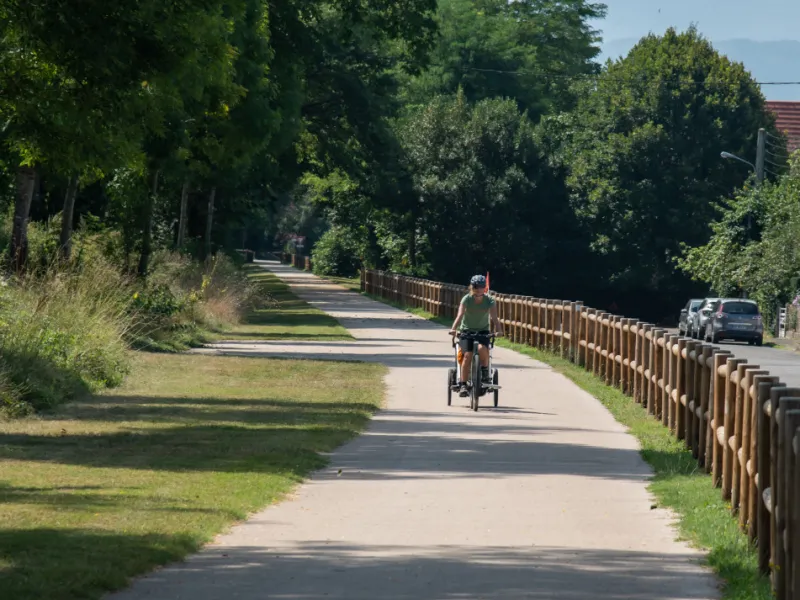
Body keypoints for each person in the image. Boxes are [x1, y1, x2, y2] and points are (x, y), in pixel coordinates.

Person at [449, 274, 504, 397]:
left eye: (481, 287)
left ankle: (485, 373)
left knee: (482, 349)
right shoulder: (466, 299)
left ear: (485, 288)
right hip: (466, 331)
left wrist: (499, 331)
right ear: (472, 287)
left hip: (482, 332)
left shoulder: (489, 300)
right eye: (476, 286)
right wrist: (453, 329)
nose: (479, 289)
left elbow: (494, 318)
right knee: (467, 355)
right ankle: (463, 384)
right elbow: (460, 315)